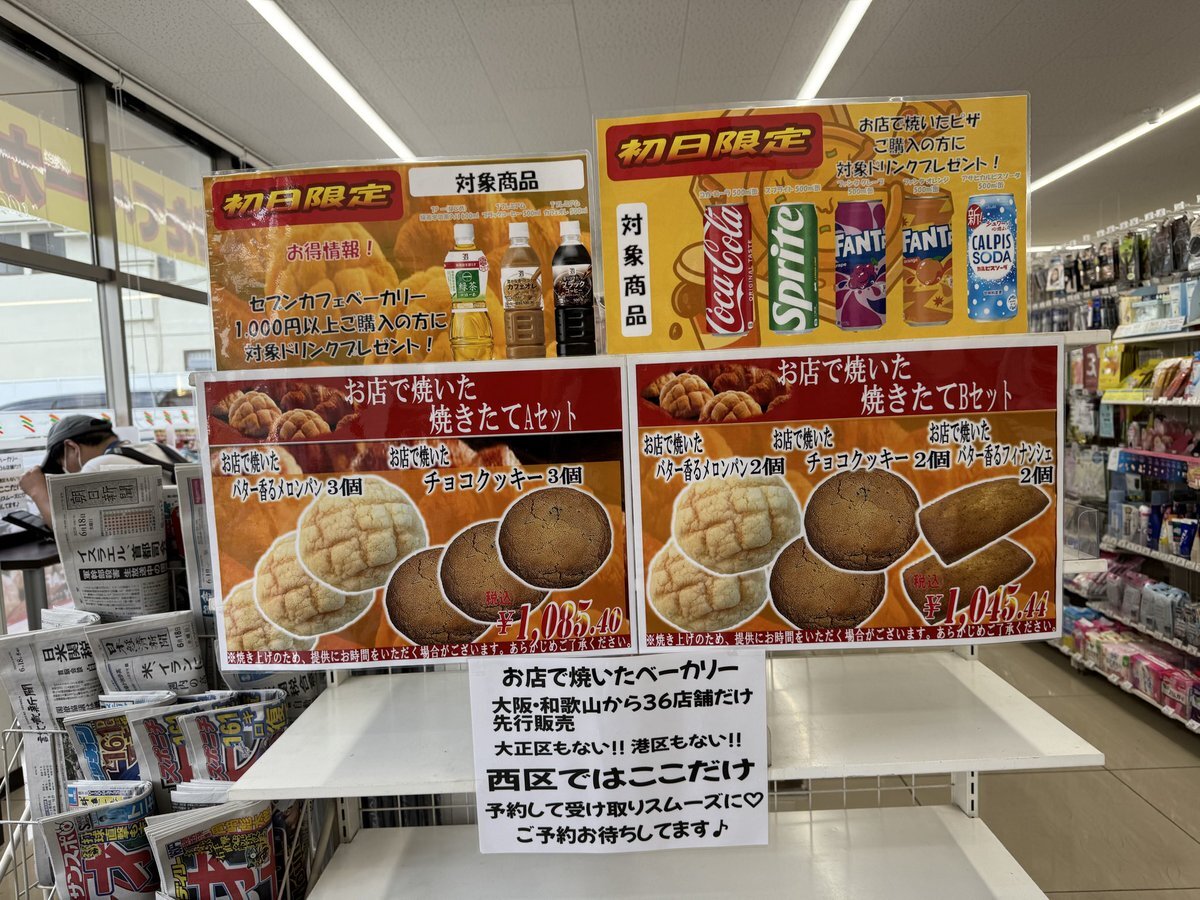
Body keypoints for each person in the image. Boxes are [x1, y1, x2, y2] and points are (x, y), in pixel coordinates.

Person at [18, 415, 186, 523]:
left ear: (71, 447)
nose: (64, 469)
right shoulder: (160, 448)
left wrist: (36, 491)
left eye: (61, 462)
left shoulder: (98, 466)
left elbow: (68, 531)